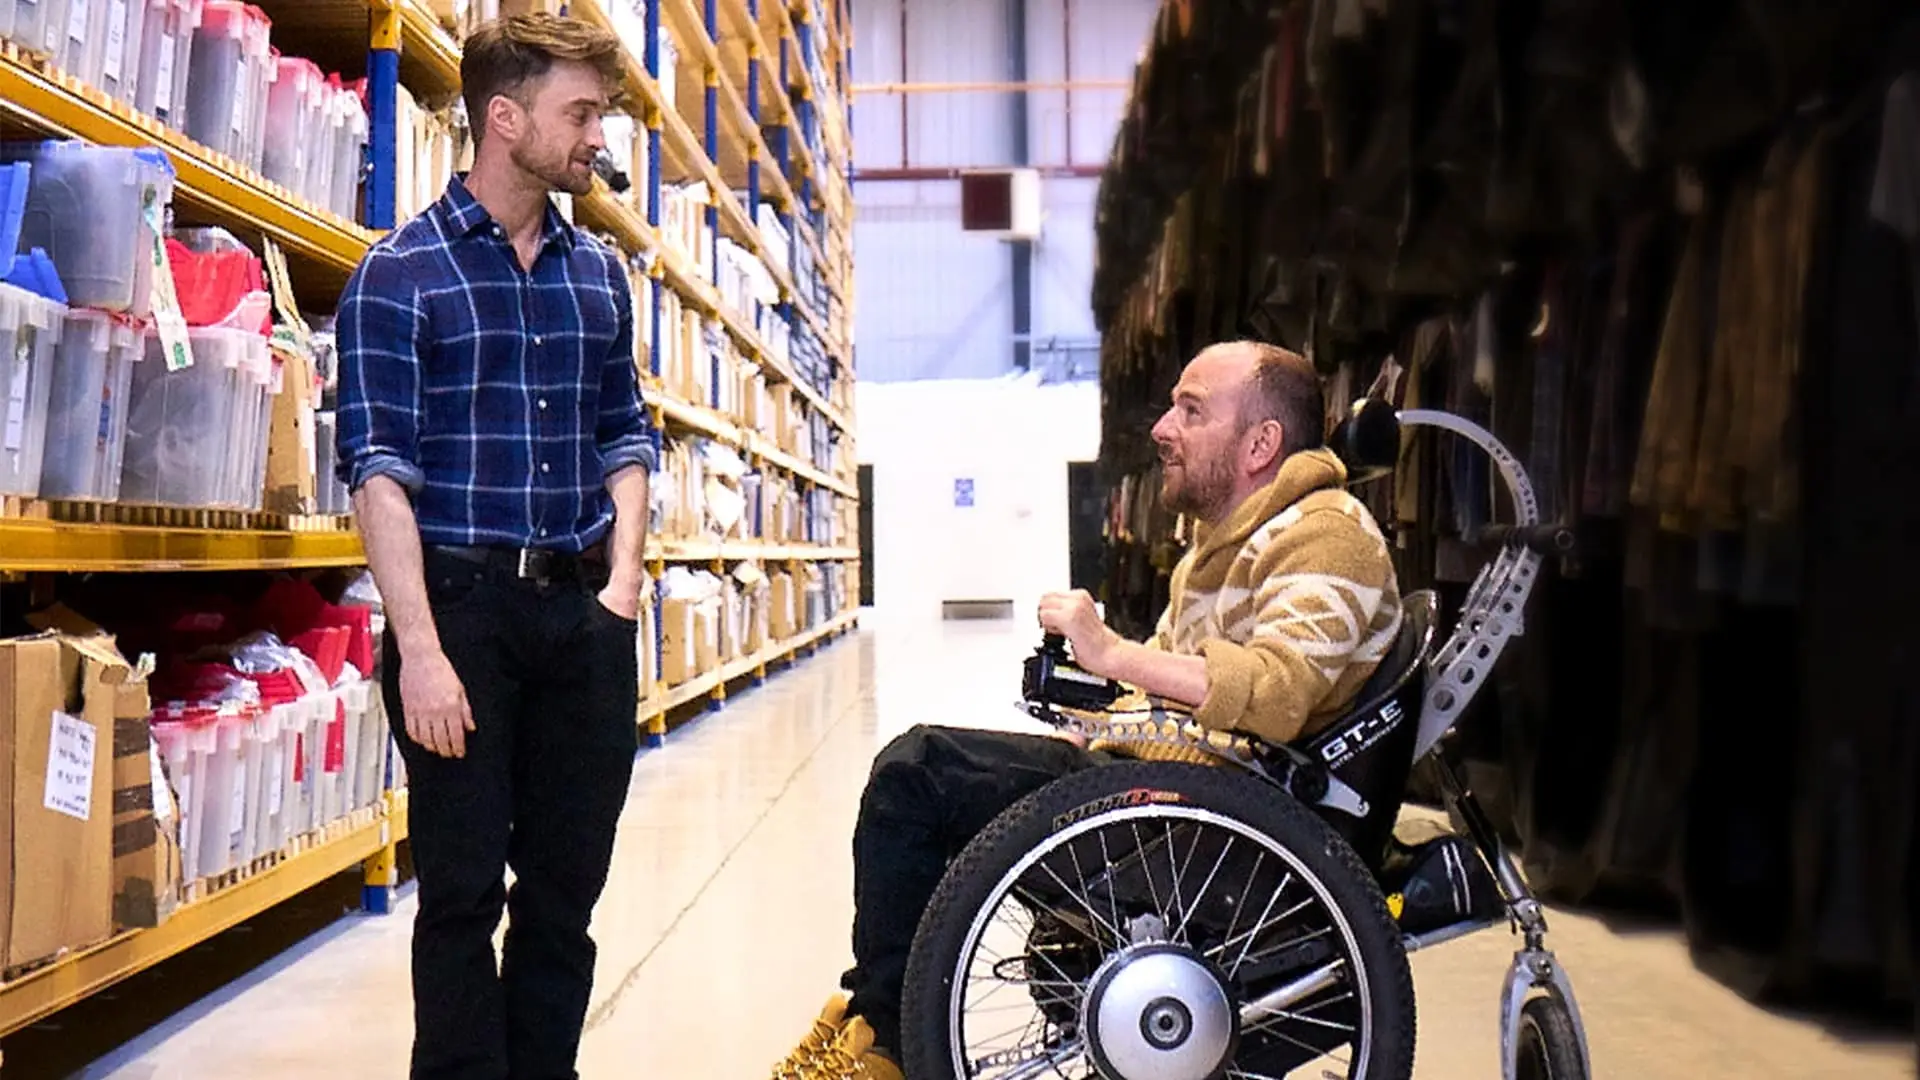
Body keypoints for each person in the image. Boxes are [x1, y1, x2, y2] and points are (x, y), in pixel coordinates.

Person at [772, 341, 1406, 1079]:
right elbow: (1186, 681)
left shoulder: (1326, 533)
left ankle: (884, 1043)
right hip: (1183, 795)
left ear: (1262, 443)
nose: (1163, 428)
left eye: (1191, 410)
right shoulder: (1230, 537)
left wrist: (1112, 654)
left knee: (918, 776)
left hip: (1216, 826)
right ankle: (874, 1018)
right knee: (928, 775)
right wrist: (1103, 706)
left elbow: (1279, 688)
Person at [333, 14, 652, 1079]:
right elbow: (379, 472)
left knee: (566, 896)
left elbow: (626, 433)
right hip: (459, 615)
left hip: (581, 617)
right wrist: (418, 649)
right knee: (462, 897)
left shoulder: (599, 274)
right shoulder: (399, 274)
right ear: (504, 119)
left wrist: (622, 589)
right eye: (581, 112)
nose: (596, 135)